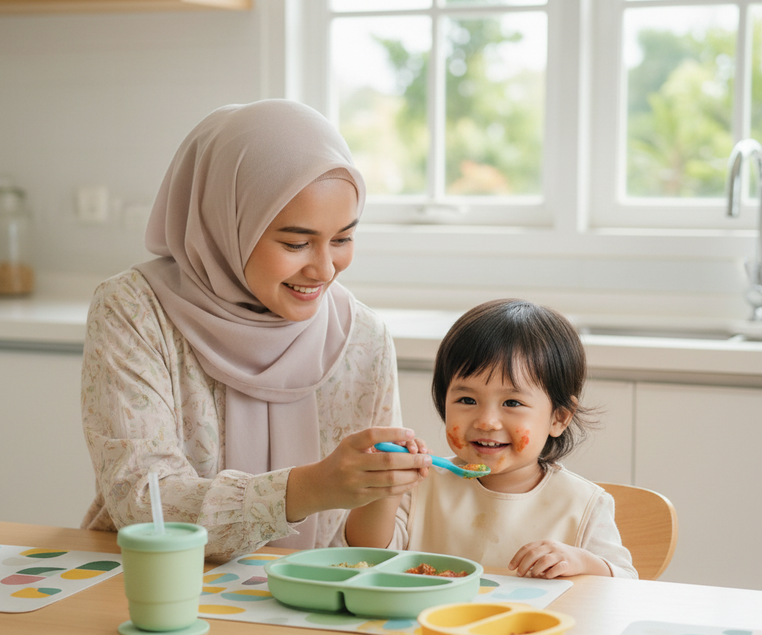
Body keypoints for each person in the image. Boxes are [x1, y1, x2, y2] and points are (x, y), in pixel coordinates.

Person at [81, 99, 430, 559]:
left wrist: (387, 487)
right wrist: (309, 488)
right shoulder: (134, 311)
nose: (324, 269)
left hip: (306, 602)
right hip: (147, 586)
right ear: (226, 222)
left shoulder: (363, 338)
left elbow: (374, 542)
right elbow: (144, 504)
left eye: (343, 238)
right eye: (296, 242)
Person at [345, 299, 637, 579]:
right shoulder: (421, 485)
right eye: (467, 399)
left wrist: (582, 561)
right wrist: (386, 488)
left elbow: (625, 584)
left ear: (558, 418)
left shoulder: (582, 505)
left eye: (512, 403)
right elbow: (367, 555)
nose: (486, 421)